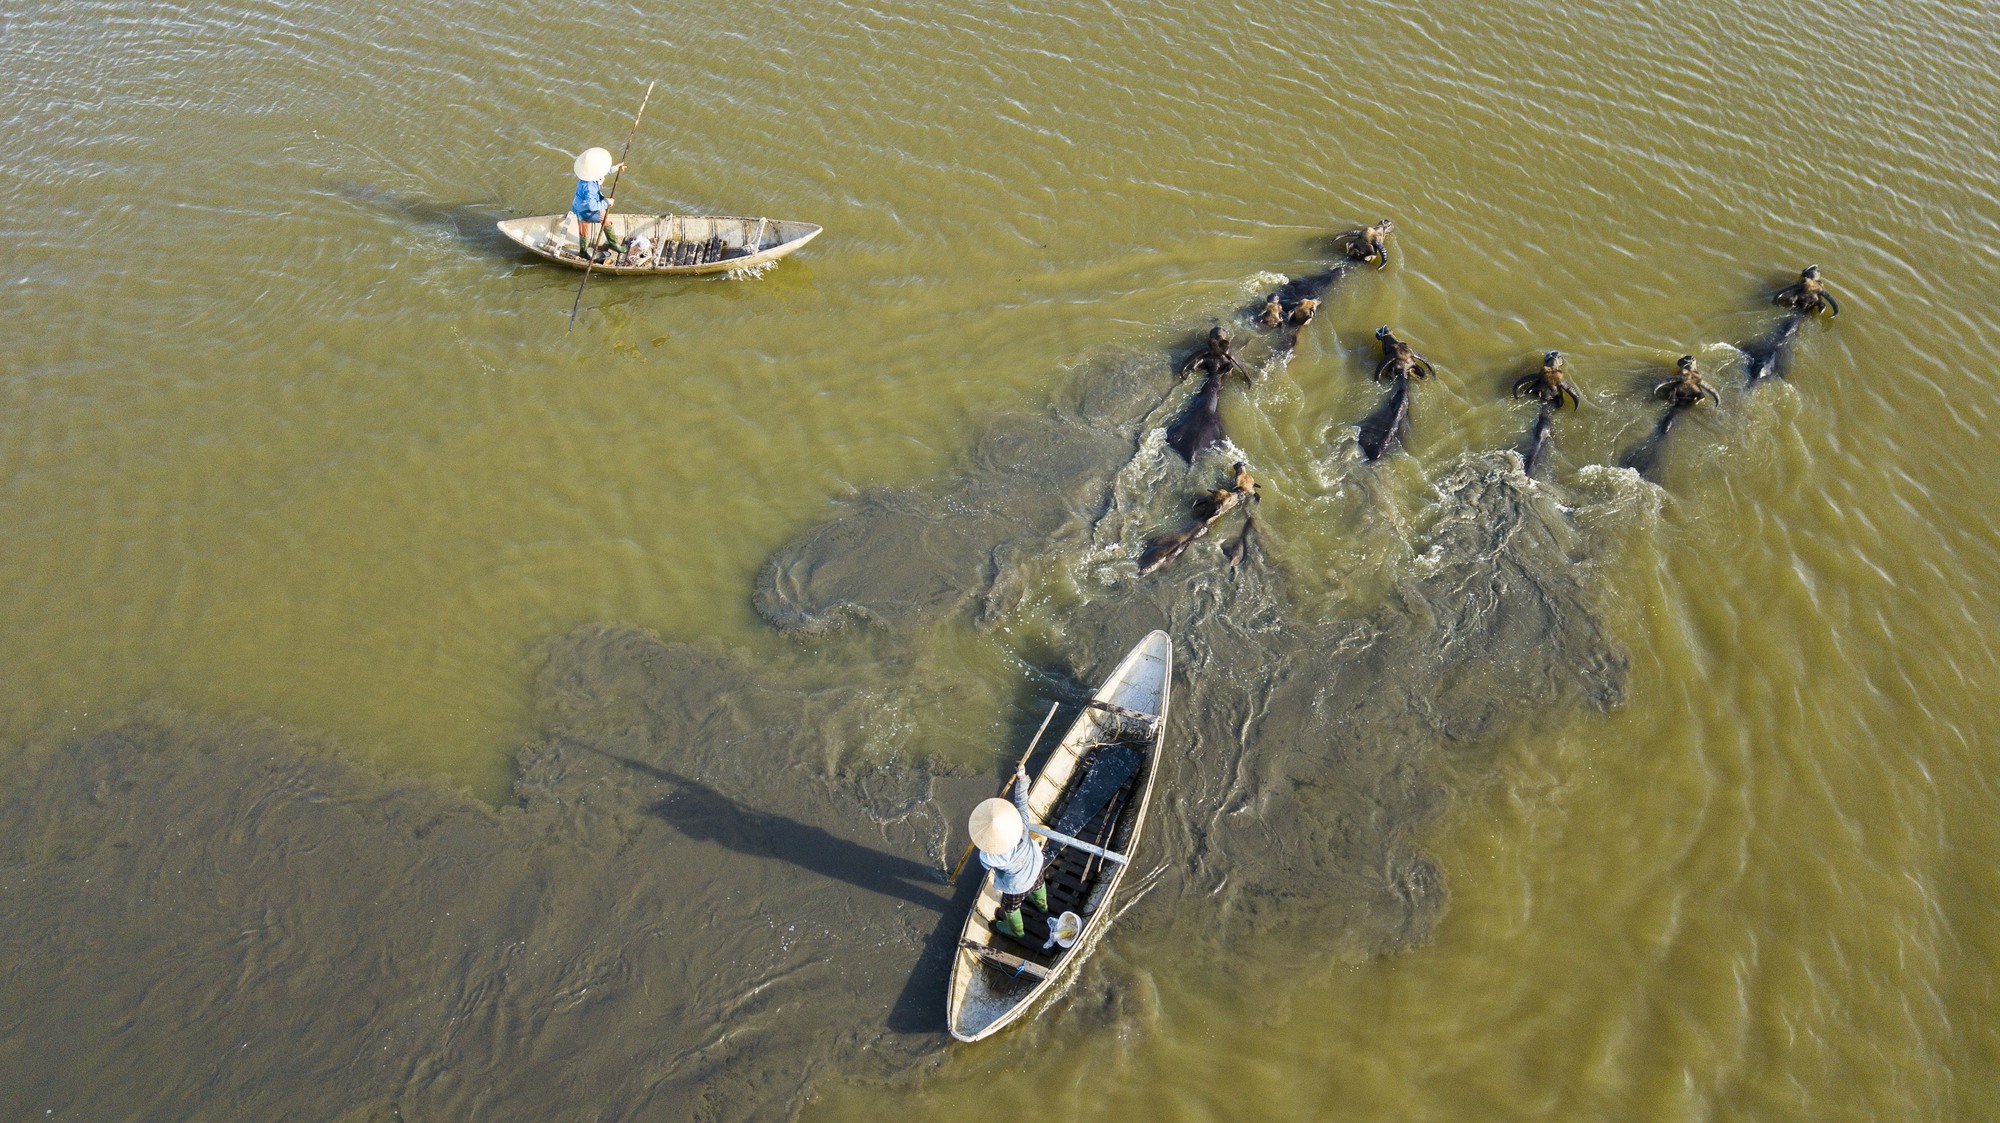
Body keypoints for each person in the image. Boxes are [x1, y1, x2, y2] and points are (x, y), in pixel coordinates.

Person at [969, 765, 1048, 940]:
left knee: (1011, 908)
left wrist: (982, 839)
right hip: (1036, 867)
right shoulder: (1022, 826)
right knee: (1039, 886)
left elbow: (986, 862)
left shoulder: (988, 856)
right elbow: (1021, 802)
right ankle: (1043, 907)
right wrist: (1021, 778)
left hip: (1017, 885)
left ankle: (1016, 931)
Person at [571, 146, 627, 261]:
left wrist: (615, 169)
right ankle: (583, 252)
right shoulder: (589, 187)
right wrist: (606, 202)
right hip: (585, 209)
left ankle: (612, 244)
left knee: (603, 221)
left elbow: (601, 172)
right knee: (586, 228)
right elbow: (591, 206)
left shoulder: (587, 174)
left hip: (582, 204)